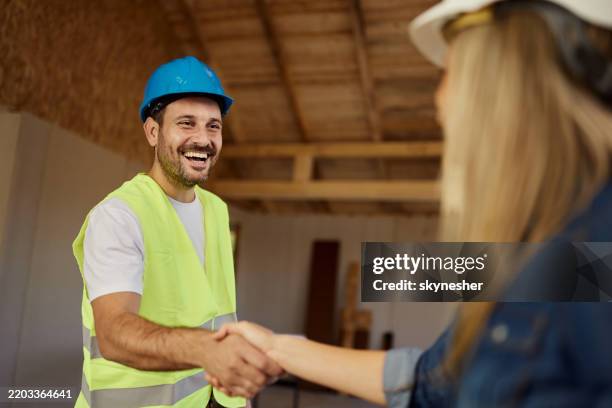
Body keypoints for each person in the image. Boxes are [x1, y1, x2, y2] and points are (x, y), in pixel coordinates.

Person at [207, 1, 612, 406]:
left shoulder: (597, 243)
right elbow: (431, 381)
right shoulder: (549, 248)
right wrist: (278, 348)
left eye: (451, 72)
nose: (439, 102)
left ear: (506, 77)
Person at [72, 56, 282, 408]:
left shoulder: (215, 210)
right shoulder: (119, 216)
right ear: (153, 132)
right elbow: (114, 335)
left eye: (213, 126)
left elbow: (218, 311)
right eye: (187, 123)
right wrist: (210, 351)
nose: (203, 139)